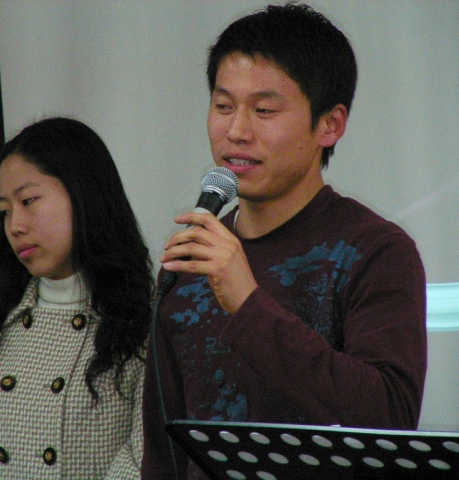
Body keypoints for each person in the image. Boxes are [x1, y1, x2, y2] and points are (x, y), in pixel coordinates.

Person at [141, 4, 427, 479]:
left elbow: (390, 415)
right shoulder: (193, 258)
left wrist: (248, 305)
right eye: (223, 106)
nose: (236, 131)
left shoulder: (376, 251)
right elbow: (164, 447)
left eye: (264, 111)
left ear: (330, 124)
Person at [0, 117, 154, 479]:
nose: (15, 226)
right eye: (5, 211)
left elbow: (143, 459)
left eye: (29, 201)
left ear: (84, 194)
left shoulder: (142, 322)